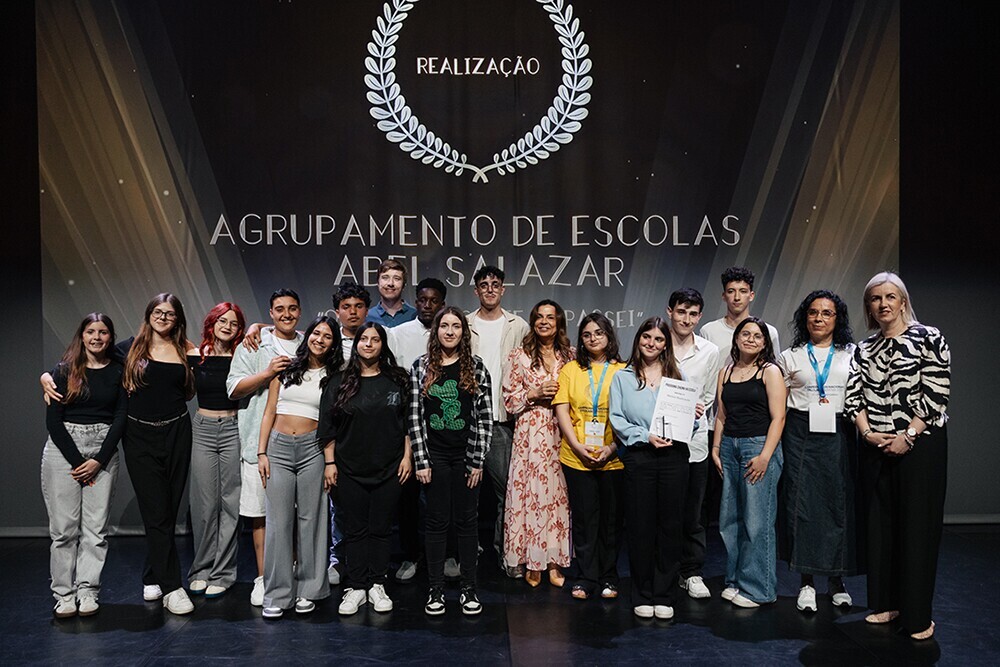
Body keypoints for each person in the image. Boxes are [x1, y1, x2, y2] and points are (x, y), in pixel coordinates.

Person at [845, 272, 950, 641]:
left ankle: (918, 617)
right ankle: (886, 604)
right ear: (869, 306)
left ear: (903, 301)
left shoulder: (929, 337)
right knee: (880, 529)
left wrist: (908, 435)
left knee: (917, 529)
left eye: (890, 296)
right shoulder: (863, 348)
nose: (883, 304)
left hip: (920, 446)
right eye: (876, 298)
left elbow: (936, 393)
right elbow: (853, 396)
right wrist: (867, 433)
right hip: (876, 446)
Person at [319, 322, 413, 616]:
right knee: (355, 529)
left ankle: (377, 584)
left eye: (375, 339)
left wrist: (407, 457)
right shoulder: (338, 382)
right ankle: (357, 586)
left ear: (383, 345)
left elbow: (408, 424)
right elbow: (327, 426)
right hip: (348, 468)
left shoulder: (398, 380)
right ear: (356, 344)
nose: (369, 344)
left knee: (381, 529)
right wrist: (330, 462)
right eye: (364, 339)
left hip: (390, 468)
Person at [779, 290, 860, 612]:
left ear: (837, 319)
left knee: (838, 506)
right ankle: (807, 582)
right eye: (813, 312)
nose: (819, 318)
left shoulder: (852, 353)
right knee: (803, 507)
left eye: (827, 313)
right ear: (805, 317)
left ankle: (837, 582)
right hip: (800, 432)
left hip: (840, 430)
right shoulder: (790, 356)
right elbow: (779, 404)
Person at [257, 315, 342, 619]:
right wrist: (261, 452)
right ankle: (277, 594)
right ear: (308, 336)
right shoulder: (287, 368)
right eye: (316, 333)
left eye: (327, 336)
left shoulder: (334, 377)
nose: (320, 339)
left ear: (333, 344)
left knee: (312, 520)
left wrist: (330, 460)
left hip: (313, 449)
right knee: (278, 522)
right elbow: (269, 411)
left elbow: (332, 424)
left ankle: (309, 590)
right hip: (278, 447)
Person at [42, 313, 126, 618]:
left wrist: (98, 460)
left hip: (102, 449)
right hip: (65, 450)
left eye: (103, 332)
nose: (96, 337)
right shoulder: (64, 370)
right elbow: (54, 421)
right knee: (64, 530)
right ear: (82, 335)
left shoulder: (118, 370)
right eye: (91, 331)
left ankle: (88, 591)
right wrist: (80, 463)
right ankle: (64, 595)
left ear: (110, 337)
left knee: (95, 530)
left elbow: (120, 417)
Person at [410, 307, 493, 615]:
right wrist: (421, 460)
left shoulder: (476, 367)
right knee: (435, 522)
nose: (449, 331)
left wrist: (477, 460)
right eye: (444, 326)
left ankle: (469, 589)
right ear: (436, 331)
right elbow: (415, 417)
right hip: (435, 456)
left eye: (456, 326)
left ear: (463, 332)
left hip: (465, 456)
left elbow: (484, 418)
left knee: (467, 522)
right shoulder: (421, 366)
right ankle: (436, 590)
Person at [226, 289, 304, 606]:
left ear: (300, 311)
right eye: (279, 309)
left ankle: (292, 573)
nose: (286, 314)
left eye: (292, 308)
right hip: (258, 443)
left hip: (299, 442)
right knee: (259, 514)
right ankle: (263, 577)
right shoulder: (254, 344)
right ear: (271, 313)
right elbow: (233, 389)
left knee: (295, 513)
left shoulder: (307, 343)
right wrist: (267, 372)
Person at [121, 293, 197, 615]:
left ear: (178, 319)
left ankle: (152, 574)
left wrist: (255, 329)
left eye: (170, 313)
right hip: (139, 436)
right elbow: (86, 358)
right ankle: (173, 588)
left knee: (168, 508)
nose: (163, 317)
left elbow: (227, 348)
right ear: (149, 314)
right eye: (158, 311)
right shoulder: (129, 348)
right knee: (156, 511)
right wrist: (48, 376)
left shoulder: (186, 350)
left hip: (177, 432)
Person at [711, 316, 785, 609]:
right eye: (746, 334)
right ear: (737, 338)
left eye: (757, 336)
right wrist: (716, 448)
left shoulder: (770, 371)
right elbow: (721, 415)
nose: (751, 339)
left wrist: (765, 456)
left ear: (765, 343)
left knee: (757, 521)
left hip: (758, 447)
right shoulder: (726, 372)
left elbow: (779, 417)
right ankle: (736, 580)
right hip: (730, 447)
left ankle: (760, 589)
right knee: (730, 520)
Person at [553, 313, 626, 601]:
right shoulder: (570, 369)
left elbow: (630, 414)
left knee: (611, 521)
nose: (593, 338)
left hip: (613, 458)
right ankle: (585, 577)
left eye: (598, 333)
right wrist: (576, 445)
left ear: (609, 336)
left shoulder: (624, 370)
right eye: (586, 334)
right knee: (584, 520)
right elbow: (562, 409)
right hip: (576, 457)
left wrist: (611, 448)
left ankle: (608, 576)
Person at [501, 300, 573, 587]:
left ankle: (554, 562)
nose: (544, 321)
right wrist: (534, 393)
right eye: (539, 317)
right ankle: (533, 561)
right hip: (530, 434)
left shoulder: (570, 356)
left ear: (558, 322)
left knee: (557, 496)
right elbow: (509, 401)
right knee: (531, 495)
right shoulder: (519, 356)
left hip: (562, 432)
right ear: (532, 322)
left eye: (550, 317)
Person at [467, 265, 530, 578]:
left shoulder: (518, 325)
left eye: (495, 284)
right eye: (484, 285)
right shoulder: (464, 324)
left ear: (503, 290)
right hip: (467, 420)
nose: (490, 289)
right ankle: (467, 551)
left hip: (502, 421)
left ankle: (507, 552)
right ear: (476, 290)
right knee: (466, 493)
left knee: (508, 492)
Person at [388, 277, 448, 581]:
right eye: (422, 300)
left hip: (443, 425)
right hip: (407, 423)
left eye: (433, 301)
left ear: (442, 304)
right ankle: (410, 555)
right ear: (415, 301)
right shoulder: (398, 333)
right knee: (408, 496)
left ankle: (447, 554)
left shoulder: (450, 333)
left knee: (442, 496)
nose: (427, 306)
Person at [186, 302, 246, 599]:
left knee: (230, 504)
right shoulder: (195, 355)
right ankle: (201, 570)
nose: (227, 327)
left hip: (234, 428)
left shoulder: (243, 356)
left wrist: (257, 327)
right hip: (204, 429)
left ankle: (223, 574)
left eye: (233, 323)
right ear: (212, 322)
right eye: (222, 321)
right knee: (205, 505)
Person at [666, 289, 719, 600]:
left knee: (694, 512)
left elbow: (709, 395)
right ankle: (665, 569)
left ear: (699, 316)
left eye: (693, 313)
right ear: (670, 311)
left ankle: (692, 571)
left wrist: (695, 408)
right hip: (660, 441)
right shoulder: (656, 343)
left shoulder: (709, 351)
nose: (686, 319)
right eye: (681, 311)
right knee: (664, 511)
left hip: (695, 442)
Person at [326, 281, 373, 585]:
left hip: (370, 433)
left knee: (371, 504)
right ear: (337, 311)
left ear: (367, 310)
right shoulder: (328, 342)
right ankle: (338, 558)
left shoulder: (377, 339)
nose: (352, 312)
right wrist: (257, 328)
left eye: (358, 306)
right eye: (346, 307)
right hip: (338, 433)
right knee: (339, 503)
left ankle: (369, 559)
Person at [366, 258, 417, 328]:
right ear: (378, 282)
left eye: (397, 278)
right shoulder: (367, 317)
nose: (390, 283)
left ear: (404, 285)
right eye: (385, 278)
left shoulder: (415, 316)